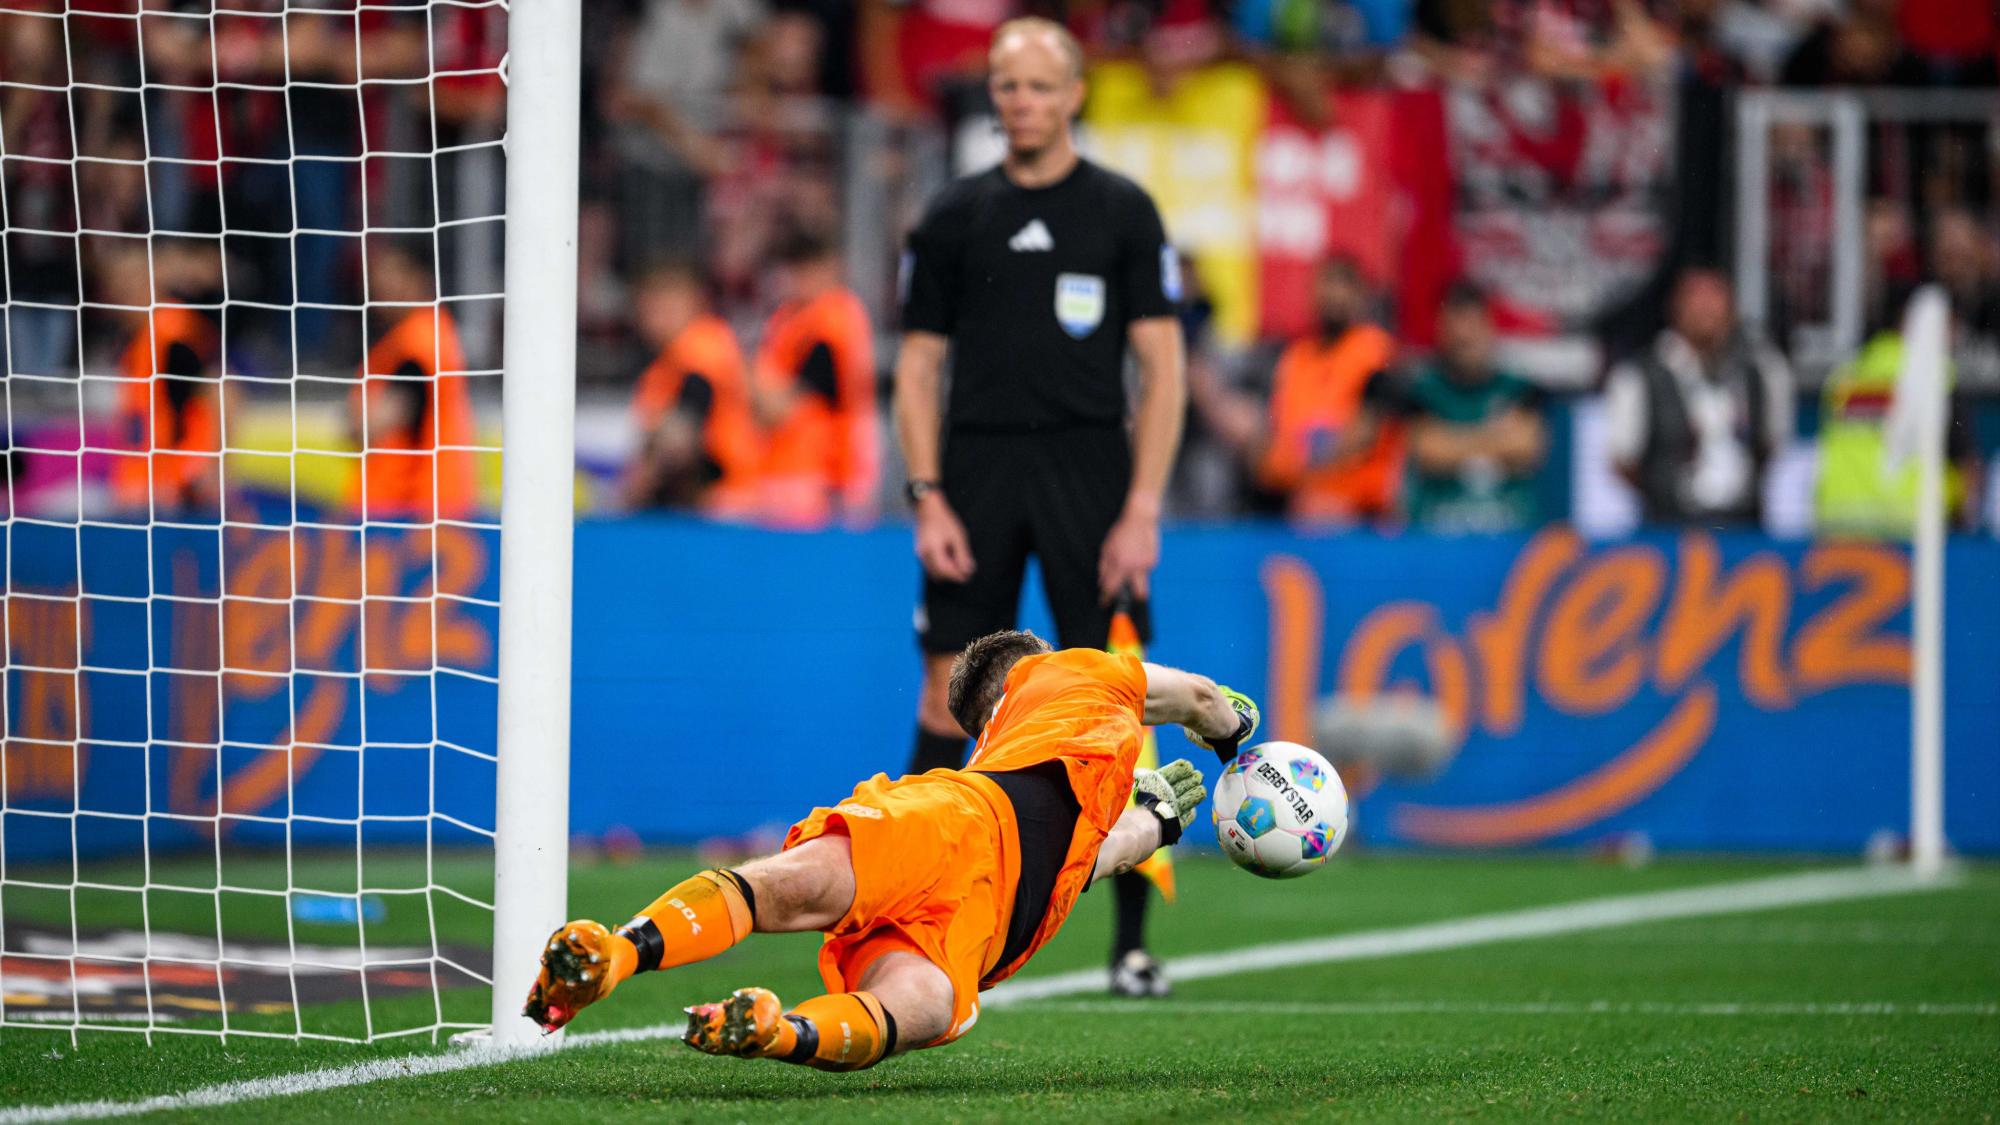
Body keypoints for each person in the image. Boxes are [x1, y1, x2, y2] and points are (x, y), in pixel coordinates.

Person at [524, 629, 1261, 1070]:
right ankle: (781, 1030)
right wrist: (1235, 737)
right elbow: (1199, 696)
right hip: (985, 888)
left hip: (971, 856)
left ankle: (634, 963)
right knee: (921, 1005)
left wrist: (1153, 821)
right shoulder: (1068, 669)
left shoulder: (1036, 761)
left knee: (792, 894)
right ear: (1026, 668)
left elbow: (1093, 856)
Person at [890, 17, 1187, 996]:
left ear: (1075, 95)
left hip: (1088, 469)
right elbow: (917, 369)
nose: (1020, 101)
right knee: (946, 686)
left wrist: (1142, 506)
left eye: (1039, 85)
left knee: (1116, 695)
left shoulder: (1121, 211)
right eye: (1006, 85)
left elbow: (1162, 368)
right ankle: (910, 913)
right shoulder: (952, 215)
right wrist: (927, 495)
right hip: (975, 470)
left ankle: (1131, 944)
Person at [1603, 267, 1794, 528]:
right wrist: (1664, 493)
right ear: (1676, 309)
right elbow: (1624, 462)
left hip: (1744, 531)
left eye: (1716, 300)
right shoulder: (1639, 375)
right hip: (1669, 530)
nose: (1707, 310)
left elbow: (1771, 447)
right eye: (1697, 300)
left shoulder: (1763, 370)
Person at [1254, 256, 1402, 525]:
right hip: (1299, 505)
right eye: (1326, 285)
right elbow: (1276, 431)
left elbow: (1365, 432)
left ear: (1360, 294)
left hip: (1361, 512)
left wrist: (1293, 464)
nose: (1333, 295)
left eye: (1343, 285)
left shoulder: (1376, 351)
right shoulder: (1295, 357)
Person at [750, 225, 879, 527]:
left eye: (810, 266)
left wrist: (748, 383)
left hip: (824, 477)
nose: (802, 278)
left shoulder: (832, 321)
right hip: (790, 472)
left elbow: (784, 405)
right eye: (796, 267)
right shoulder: (790, 318)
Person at [1401, 281, 1549, 533]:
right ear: (1441, 331)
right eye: (1456, 331)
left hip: (1509, 529)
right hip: (1438, 531)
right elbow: (1429, 451)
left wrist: (1453, 440)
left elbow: (1526, 446)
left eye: (1472, 327)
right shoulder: (1421, 389)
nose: (1464, 337)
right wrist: (1497, 439)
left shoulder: (1519, 388)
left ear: (1489, 327)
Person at [352, 236, 479, 523]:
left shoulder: (417, 344)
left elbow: (374, 422)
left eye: (392, 272)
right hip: (436, 509)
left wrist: (352, 419)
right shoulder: (435, 333)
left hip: (407, 514)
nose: (379, 282)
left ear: (419, 278)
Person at [622, 261, 763, 517]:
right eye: (652, 308)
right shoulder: (666, 361)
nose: (659, 318)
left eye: (669, 307)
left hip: (724, 498)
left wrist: (639, 483)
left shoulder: (701, 346)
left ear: (694, 304)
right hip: (710, 496)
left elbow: (684, 427)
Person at [112, 239, 223, 516]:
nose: (119, 294)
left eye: (129, 284)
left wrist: (204, 469)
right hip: (145, 487)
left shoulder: (174, 335)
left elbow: (219, 394)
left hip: (175, 490)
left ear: (152, 285)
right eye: (117, 284)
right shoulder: (137, 338)